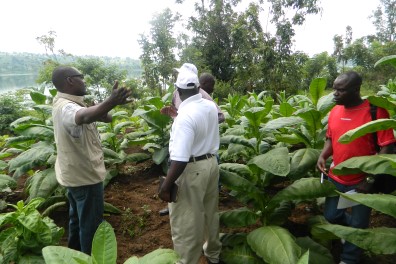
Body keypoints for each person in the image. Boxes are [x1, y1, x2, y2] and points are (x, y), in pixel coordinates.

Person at [317, 71, 395, 264]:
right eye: (334, 88)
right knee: (331, 215)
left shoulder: (375, 111)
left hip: (362, 181)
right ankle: (348, 235)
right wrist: (323, 154)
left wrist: (370, 179)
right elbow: (330, 137)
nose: (334, 94)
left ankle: (349, 258)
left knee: (359, 224)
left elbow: (387, 145)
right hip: (336, 176)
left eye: (340, 90)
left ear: (356, 90)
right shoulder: (335, 110)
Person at [51, 66, 132, 254]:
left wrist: (105, 109)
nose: (84, 80)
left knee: (78, 221)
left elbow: (103, 117)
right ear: (70, 81)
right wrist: (110, 100)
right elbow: (83, 116)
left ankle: (75, 255)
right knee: (91, 227)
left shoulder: (70, 103)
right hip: (85, 178)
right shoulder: (67, 107)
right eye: (81, 77)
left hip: (74, 175)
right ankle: (90, 258)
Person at [158, 68, 222, 264]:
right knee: (210, 213)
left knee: (186, 222)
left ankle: (186, 260)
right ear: (198, 87)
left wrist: (166, 185)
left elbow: (180, 159)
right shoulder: (209, 106)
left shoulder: (185, 116)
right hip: (211, 164)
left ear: (177, 90)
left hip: (191, 170)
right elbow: (199, 130)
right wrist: (177, 118)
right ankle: (213, 255)